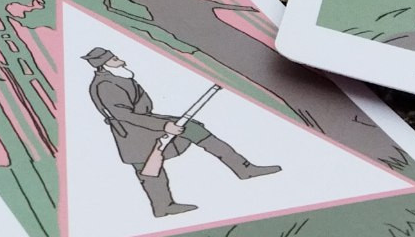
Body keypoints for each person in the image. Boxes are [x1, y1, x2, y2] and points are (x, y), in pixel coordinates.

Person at [81, 47, 280, 220]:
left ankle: (243, 169)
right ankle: (163, 207)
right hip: (133, 132)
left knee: (194, 130)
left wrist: (163, 124)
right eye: (114, 59)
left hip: (146, 123)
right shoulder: (106, 84)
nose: (120, 60)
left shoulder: (119, 76)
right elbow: (124, 115)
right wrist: (164, 126)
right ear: (104, 64)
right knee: (149, 168)